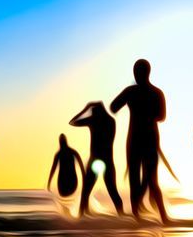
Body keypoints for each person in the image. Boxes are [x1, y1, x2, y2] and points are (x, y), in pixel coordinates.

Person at [111, 59, 170, 223]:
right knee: (145, 179)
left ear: (145, 73)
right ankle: (158, 217)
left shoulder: (132, 92)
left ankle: (152, 217)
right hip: (148, 138)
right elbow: (161, 116)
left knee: (141, 178)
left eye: (138, 71)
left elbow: (113, 107)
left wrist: (133, 103)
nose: (136, 75)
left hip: (139, 139)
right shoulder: (156, 92)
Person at [69, 101, 124, 217]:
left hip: (96, 160)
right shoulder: (110, 121)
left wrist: (85, 108)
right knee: (112, 191)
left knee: (87, 192)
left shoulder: (93, 120)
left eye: (93, 111)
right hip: (107, 160)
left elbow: (72, 122)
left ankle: (81, 217)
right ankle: (122, 216)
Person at [47, 134, 84, 202]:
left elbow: (81, 165)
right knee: (64, 197)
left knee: (65, 197)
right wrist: (49, 183)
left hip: (71, 180)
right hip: (63, 182)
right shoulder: (61, 154)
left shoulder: (70, 152)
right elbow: (53, 169)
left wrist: (84, 179)